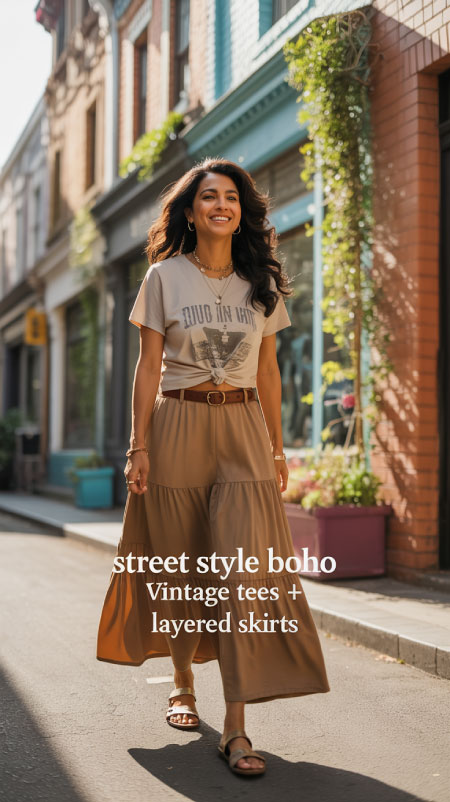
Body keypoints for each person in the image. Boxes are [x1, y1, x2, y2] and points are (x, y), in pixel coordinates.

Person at [96, 157, 330, 777]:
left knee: (239, 572)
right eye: (209, 196)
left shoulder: (262, 282)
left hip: (243, 430)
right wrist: (136, 445)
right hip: (177, 424)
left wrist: (278, 446)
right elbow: (148, 368)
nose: (221, 205)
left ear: (241, 211)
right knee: (182, 557)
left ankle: (236, 728)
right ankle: (180, 682)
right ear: (191, 210)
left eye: (231, 196)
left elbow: (270, 371)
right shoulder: (164, 277)